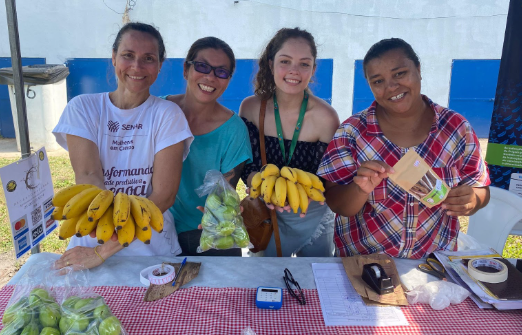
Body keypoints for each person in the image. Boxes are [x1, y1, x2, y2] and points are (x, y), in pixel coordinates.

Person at [318, 38, 490, 259]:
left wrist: (473, 200)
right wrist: (359, 189)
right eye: (378, 81)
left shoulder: (456, 129)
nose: (391, 87)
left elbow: (481, 188)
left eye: (399, 74)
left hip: (434, 268)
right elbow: (337, 203)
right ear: (370, 86)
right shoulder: (351, 133)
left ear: (418, 69)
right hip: (363, 267)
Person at [53, 22, 193, 269]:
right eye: (128, 55)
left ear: (160, 66)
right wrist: (98, 246)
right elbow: (88, 176)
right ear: (114, 58)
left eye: (148, 58)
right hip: (91, 238)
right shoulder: (83, 108)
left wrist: (103, 252)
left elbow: (163, 195)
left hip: (152, 249)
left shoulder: (167, 115)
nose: (137, 66)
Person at [240, 27, 340, 257]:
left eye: (304, 64)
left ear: (313, 69)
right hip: (266, 216)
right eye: (285, 61)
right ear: (270, 64)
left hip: (311, 216)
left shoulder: (326, 117)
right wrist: (260, 184)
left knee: (314, 283)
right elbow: (248, 165)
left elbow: (327, 181)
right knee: (267, 281)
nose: (294, 71)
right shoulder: (251, 108)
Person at [162, 37, 252, 256]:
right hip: (155, 226)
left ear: (228, 79)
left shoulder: (234, 130)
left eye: (221, 72)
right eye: (202, 66)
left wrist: (219, 213)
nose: (210, 77)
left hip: (207, 231)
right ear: (186, 68)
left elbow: (224, 190)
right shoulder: (158, 111)